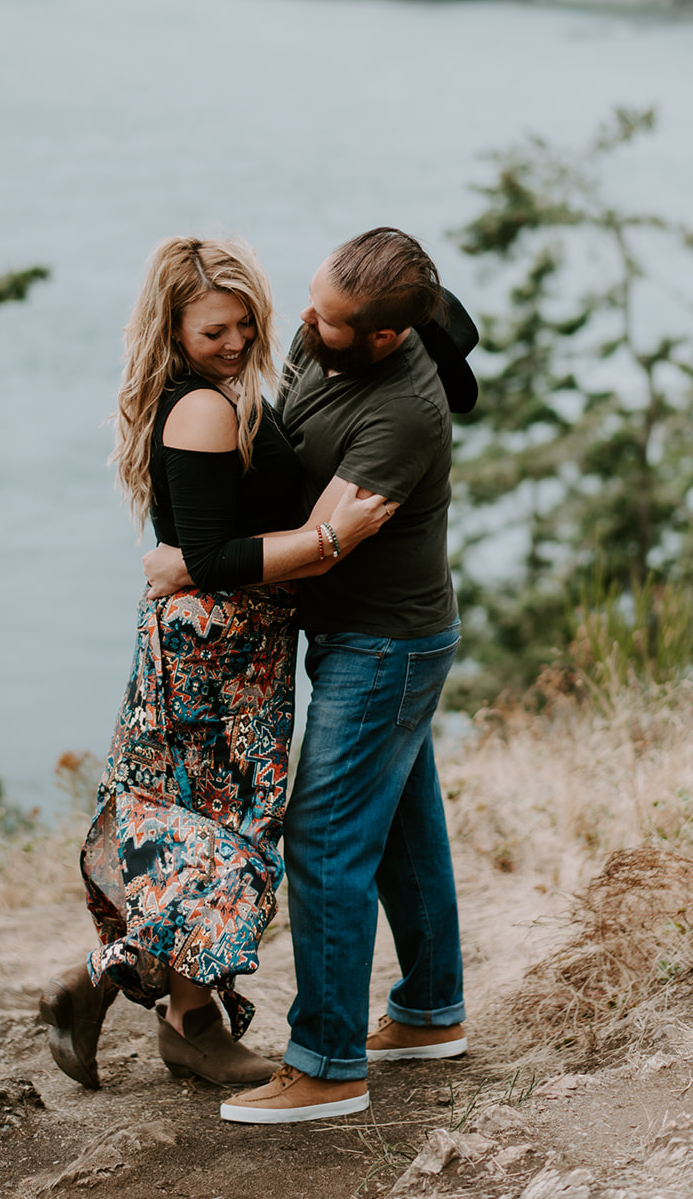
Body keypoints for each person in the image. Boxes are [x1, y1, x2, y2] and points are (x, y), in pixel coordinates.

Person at [39, 236, 392, 1094]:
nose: (234, 343)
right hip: (212, 655)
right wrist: (325, 542)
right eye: (212, 332)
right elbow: (202, 552)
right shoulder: (200, 408)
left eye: (244, 325)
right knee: (210, 838)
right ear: (173, 331)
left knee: (212, 835)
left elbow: (194, 550)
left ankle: (159, 1012)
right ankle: (168, 1018)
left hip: (237, 648)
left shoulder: (228, 390)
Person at [146, 226, 477, 1125]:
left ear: (380, 337)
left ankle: (327, 1065)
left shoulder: (400, 415)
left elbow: (321, 553)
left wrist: (194, 562)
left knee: (327, 837)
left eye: (327, 319)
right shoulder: (323, 331)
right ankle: (428, 1012)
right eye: (311, 300)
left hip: (383, 645)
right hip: (358, 639)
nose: (298, 322)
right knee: (404, 827)